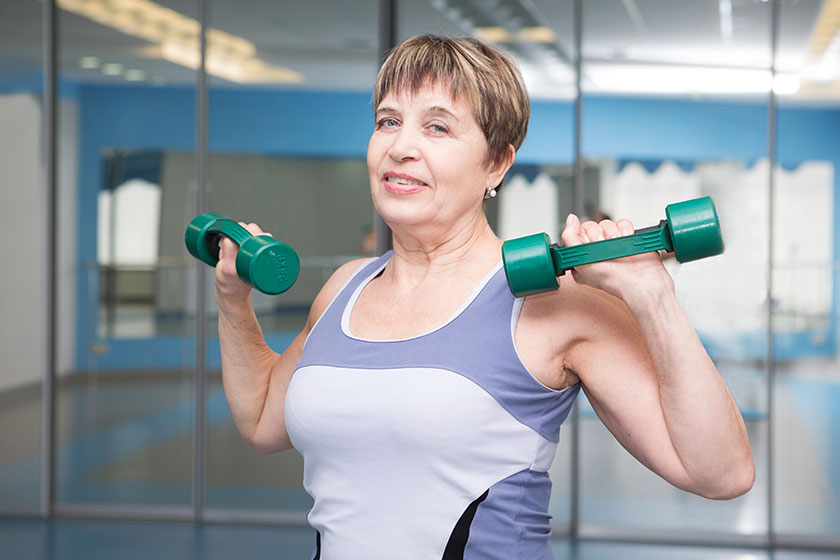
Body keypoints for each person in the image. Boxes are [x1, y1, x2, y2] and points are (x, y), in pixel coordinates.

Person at [213, 35, 754, 560]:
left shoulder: (556, 302)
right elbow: (263, 421)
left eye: (438, 127)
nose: (401, 147)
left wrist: (652, 298)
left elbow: (720, 473)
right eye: (388, 121)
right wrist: (233, 302)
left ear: (496, 163)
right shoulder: (344, 289)